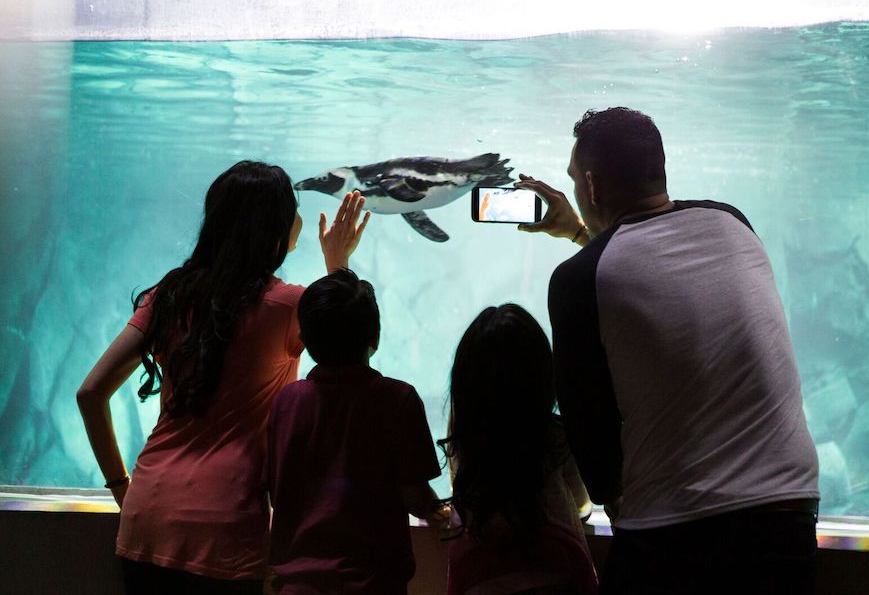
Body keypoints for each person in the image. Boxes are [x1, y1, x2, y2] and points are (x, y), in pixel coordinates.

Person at [515, 107, 820, 594]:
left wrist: (619, 507)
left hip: (673, 534)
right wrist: (580, 233)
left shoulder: (576, 281)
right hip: (789, 516)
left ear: (591, 187)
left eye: (574, 179)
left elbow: (587, 429)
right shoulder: (732, 222)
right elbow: (658, 268)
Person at [76, 160, 370, 594]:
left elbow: (90, 393)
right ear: (276, 227)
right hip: (227, 526)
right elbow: (348, 349)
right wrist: (338, 266)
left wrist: (122, 486)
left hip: (147, 516)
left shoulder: (168, 295)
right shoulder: (289, 307)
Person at [265, 268, 445, 594]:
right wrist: (441, 511)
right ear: (375, 335)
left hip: (295, 585)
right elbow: (416, 497)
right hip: (372, 583)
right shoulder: (397, 399)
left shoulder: (286, 401)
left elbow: (277, 492)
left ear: (303, 340)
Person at [439, 303, 598, 595]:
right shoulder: (557, 434)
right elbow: (581, 503)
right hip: (557, 568)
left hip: (478, 570)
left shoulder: (465, 433)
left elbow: (456, 482)